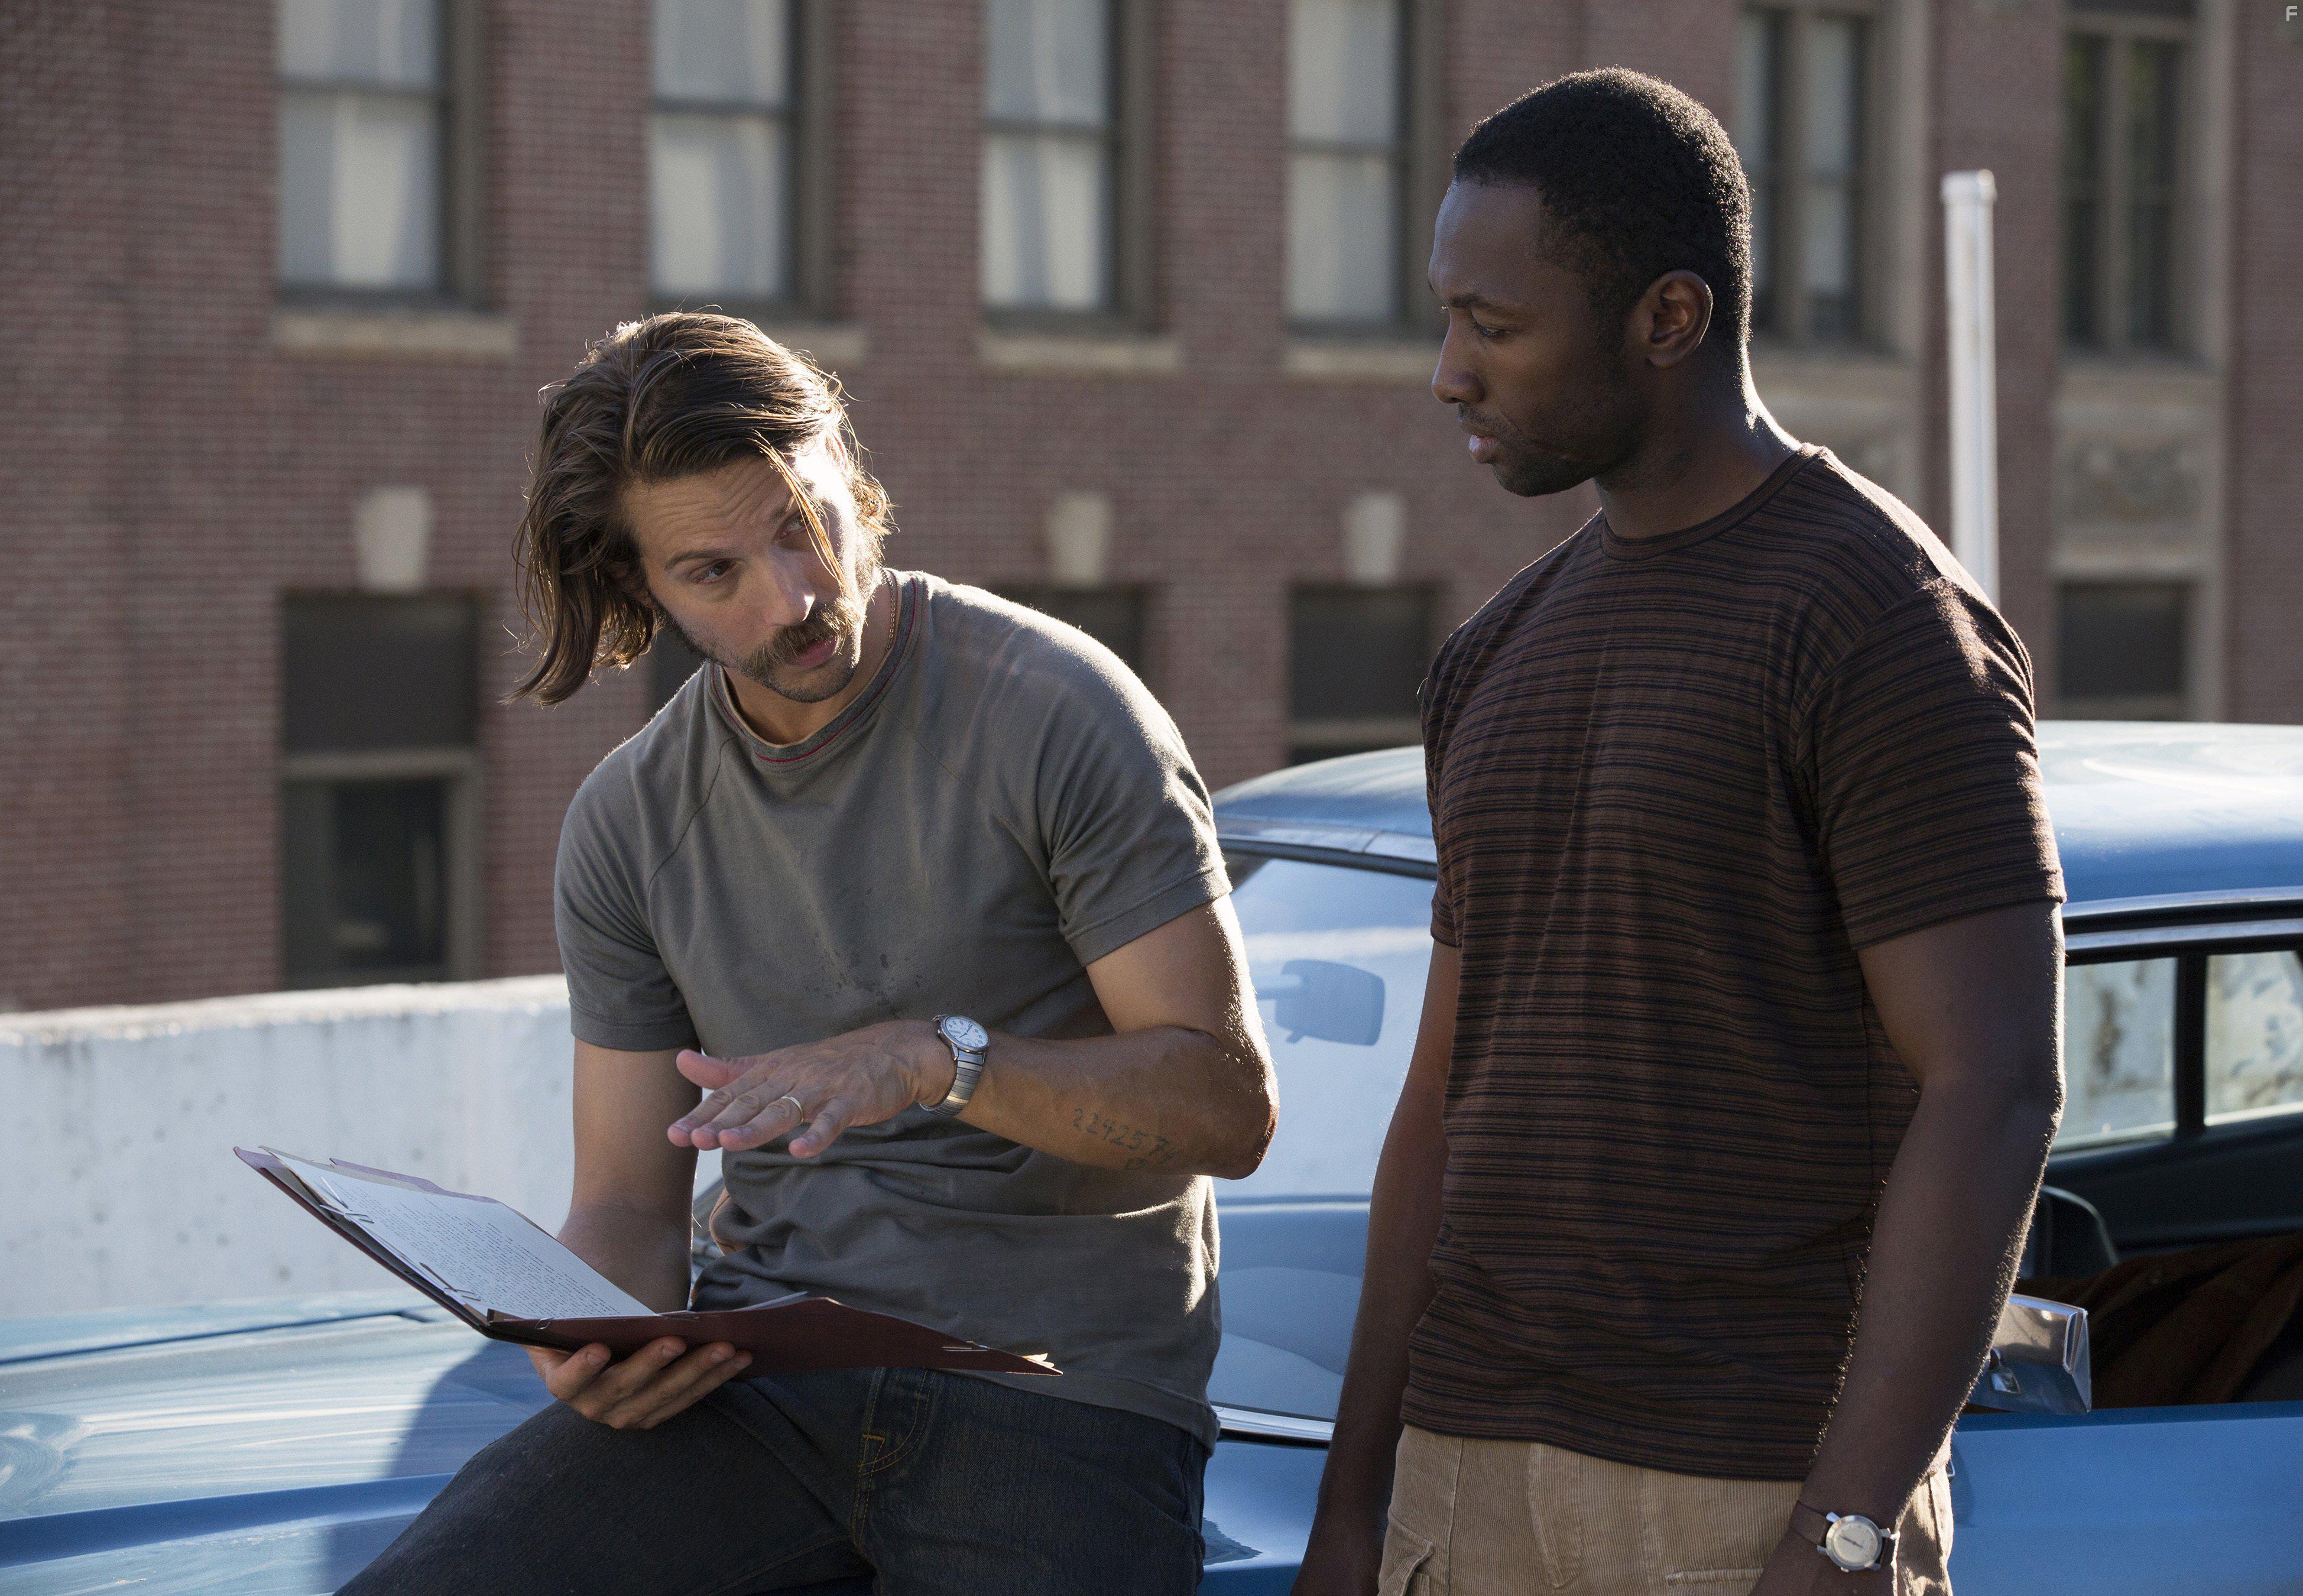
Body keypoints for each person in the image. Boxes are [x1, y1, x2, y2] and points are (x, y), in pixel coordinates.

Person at [344, 312, 1277, 1595]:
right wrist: (597, 1338)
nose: (794, 595)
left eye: (803, 522)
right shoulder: (628, 822)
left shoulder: (1060, 710)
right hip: (756, 1386)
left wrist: (937, 1062)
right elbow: (626, 1204)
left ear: (852, 470)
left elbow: (1224, 1109)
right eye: (714, 571)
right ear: (640, 590)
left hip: (1057, 1392)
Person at [1293, 72, 2065, 1596]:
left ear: (1666, 319)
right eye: (1446, 318)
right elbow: (1439, 1102)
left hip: (1747, 1495)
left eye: (1494, 327)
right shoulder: (1494, 654)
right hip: (1467, 1480)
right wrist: (1350, 1502)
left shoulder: (1880, 623)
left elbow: (1994, 1091)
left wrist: (1843, 1537)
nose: (1450, 373)